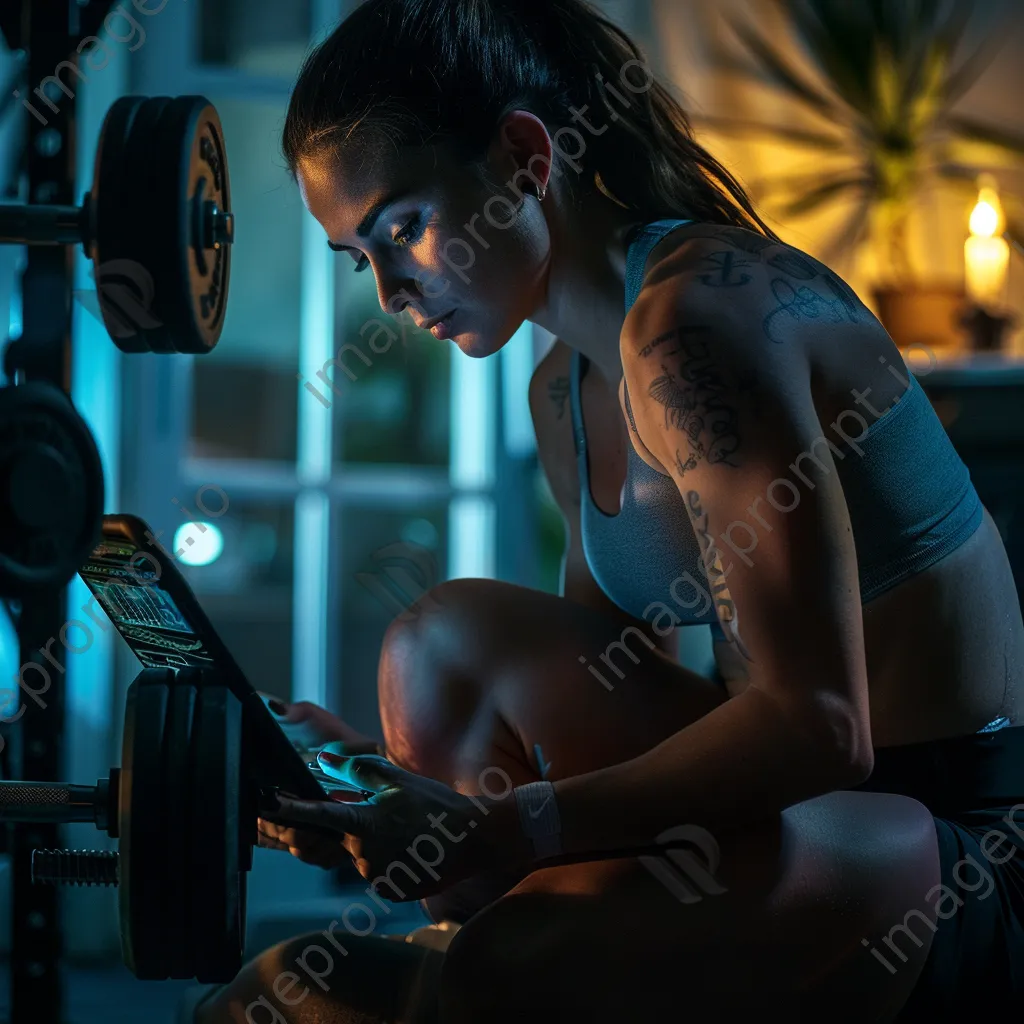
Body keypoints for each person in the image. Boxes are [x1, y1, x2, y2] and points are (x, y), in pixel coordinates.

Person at [194, 0, 1024, 1020]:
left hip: (940, 848)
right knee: (442, 645)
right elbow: (617, 746)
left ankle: (500, 965)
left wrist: (504, 832)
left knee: (377, 984)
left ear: (522, 158)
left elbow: (821, 725)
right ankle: (506, 950)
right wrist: (380, 797)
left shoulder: (696, 327)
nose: (389, 293)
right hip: (800, 817)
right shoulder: (563, 389)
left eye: (402, 227)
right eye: (358, 256)